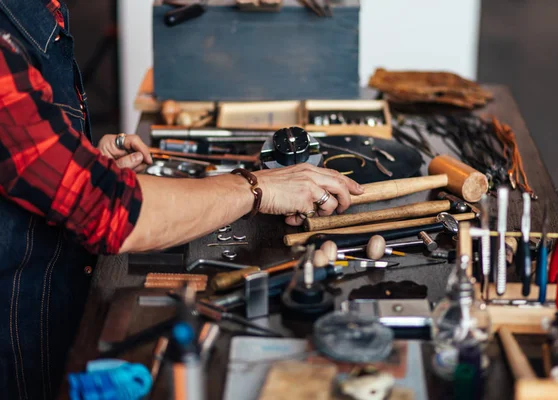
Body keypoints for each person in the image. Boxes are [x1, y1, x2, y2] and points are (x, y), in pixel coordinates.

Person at [0, 1, 362, 398]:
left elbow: (25, 152)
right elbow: (111, 213)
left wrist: (82, 159)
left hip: (60, 279)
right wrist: (257, 188)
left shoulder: (34, 9)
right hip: (18, 323)